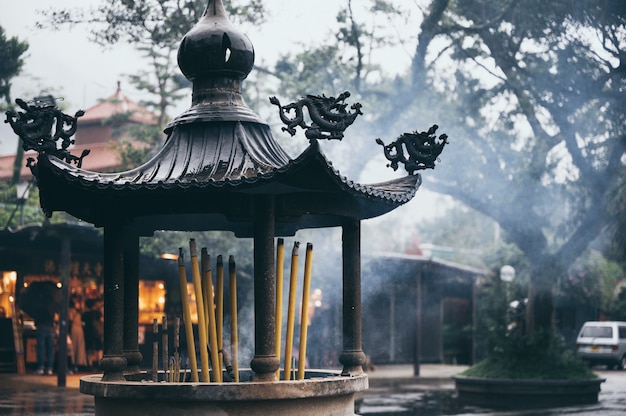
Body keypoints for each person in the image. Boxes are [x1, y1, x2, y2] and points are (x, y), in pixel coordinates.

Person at [35, 303, 57, 376]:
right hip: (50, 329)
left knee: (41, 348)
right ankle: (49, 368)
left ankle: (41, 367)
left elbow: (37, 320)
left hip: (41, 328)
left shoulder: (39, 307)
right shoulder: (52, 306)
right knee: (50, 349)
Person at [68, 294, 88, 371]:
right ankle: (78, 363)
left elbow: (70, 318)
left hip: (74, 329)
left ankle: (74, 364)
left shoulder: (71, 311)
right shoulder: (78, 311)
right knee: (79, 347)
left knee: (74, 347)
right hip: (79, 329)